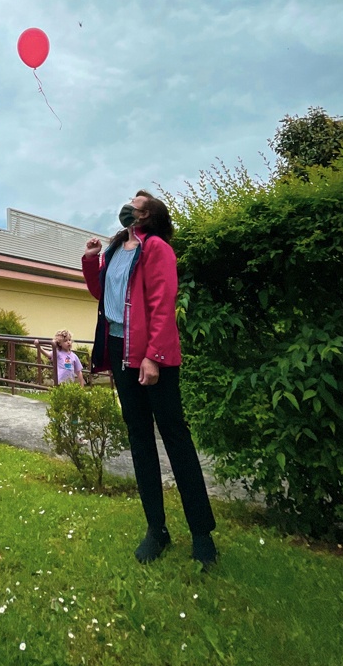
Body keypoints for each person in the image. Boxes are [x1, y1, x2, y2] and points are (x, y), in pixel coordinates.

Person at [82, 191, 217, 567]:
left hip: (152, 354)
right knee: (140, 440)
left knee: (175, 437)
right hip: (119, 348)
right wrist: (92, 261)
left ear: (148, 215)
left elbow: (162, 302)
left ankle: (202, 534)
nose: (128, 206)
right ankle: (156, 529)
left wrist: (153, 357)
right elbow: (100, 294)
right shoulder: (113, 250)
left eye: (136, 204)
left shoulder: (156, 248)